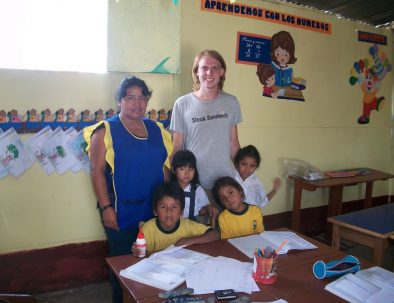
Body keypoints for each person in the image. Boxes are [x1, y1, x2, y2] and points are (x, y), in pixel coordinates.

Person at [83, 76, 173, 303]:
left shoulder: (157, 129)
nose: (137, 103)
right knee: (124, 261)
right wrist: (106, 207)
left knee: (154, 258)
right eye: (130, 97)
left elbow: (164, 169)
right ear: (120, 101)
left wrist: (170, 205)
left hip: (154, 209)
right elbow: (96, 171)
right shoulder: (105, 130)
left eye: (142, 98)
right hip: (121, 210)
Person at [170, 49, 242, 191]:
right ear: (197, 72)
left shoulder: (231, 102)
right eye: (204, 68)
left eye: (214, 68)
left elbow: (234, 143)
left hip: (224, 184)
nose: (209, 73)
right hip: (192, 183)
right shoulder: (182, 104)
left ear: (221, 72)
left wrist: (244, 176)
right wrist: (172, 181)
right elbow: (177, 147)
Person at [132, 182, 219, 254]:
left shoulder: (188, 225)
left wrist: (189, 241)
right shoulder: (148, 229)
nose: (169, 212)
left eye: (174, 207)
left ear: (181, 212)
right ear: (155, 211)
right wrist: (139, 252)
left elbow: (215, 235)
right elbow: (143, 255)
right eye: (163, 207)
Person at [170, 150, 219, 224]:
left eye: (190, 169)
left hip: (191, 225)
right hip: (173, 224)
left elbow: (200, 212)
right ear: (174, 170)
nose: (187, 173)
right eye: (182, 169)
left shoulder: (197, 189)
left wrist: (208, 208)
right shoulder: (169, 189)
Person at [234, 145, 282, 210]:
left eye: (252, 166)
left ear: (256, 167)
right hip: (232, 216)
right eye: (244, 164)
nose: (247, 169)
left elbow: (262, 201)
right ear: (237, 163)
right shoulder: (232, 176)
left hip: (250, 216)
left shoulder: (256, 182)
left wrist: (275, 190)